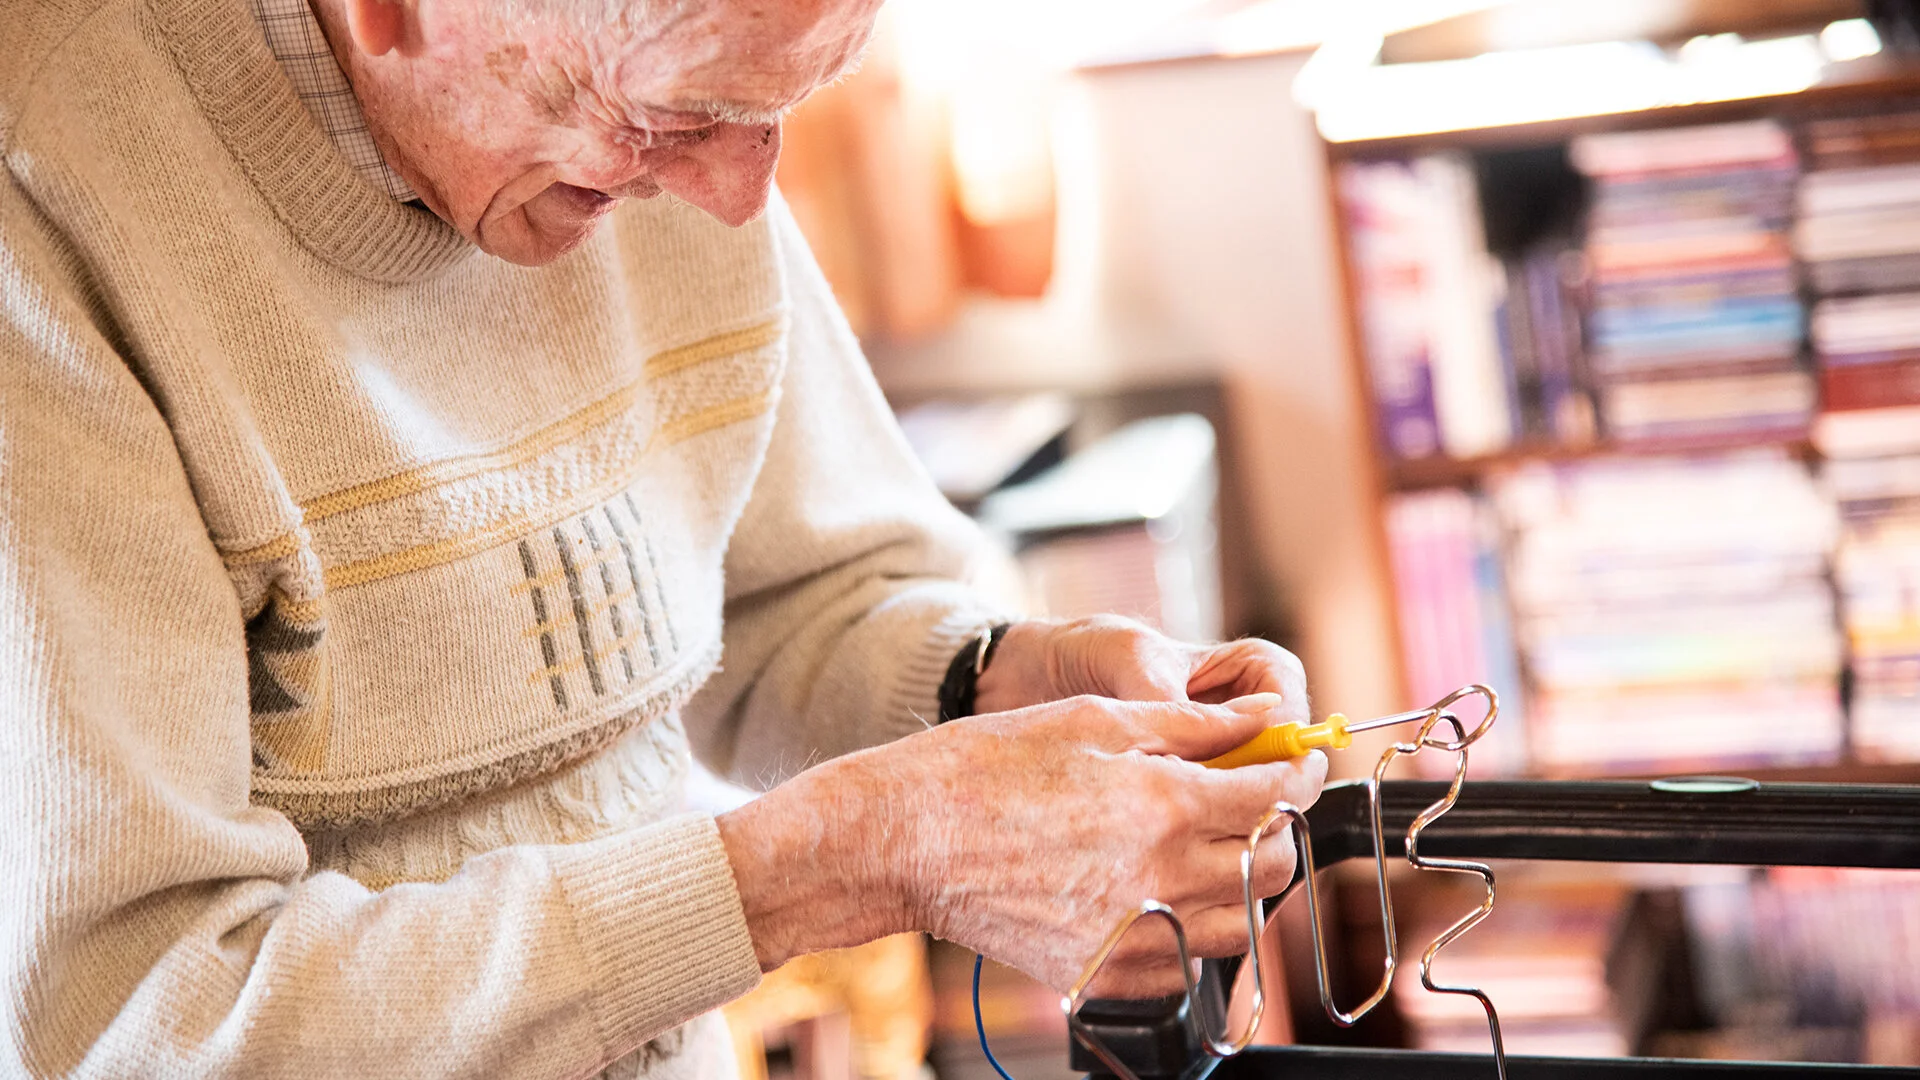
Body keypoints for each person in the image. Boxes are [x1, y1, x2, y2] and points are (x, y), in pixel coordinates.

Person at [0, 0, 1328, 1075]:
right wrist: (845, 858)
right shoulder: (46, 212)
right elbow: (135, 1024)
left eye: (778, 113)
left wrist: (988, 679)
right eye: (677, 121)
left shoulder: (660, 126)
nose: (740, 200)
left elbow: (787, 597)